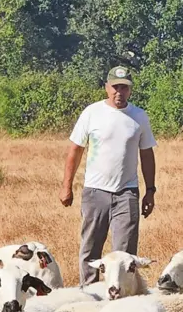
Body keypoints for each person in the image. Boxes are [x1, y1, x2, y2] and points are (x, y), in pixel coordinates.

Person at [61, 65, 156, 285]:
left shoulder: (139, 117)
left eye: (124, 87)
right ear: (106, 87)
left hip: (127, 193)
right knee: (91, 249)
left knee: (124, 254)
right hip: (95, 192)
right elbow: (75, 151)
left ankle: (120, 296)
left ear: (130, 90)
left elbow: (147, 155)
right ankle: (90, 294)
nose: (119, 92)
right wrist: (66, 186)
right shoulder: (92, 113)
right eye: (115, 87)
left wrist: (150, 191)